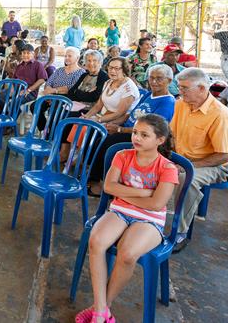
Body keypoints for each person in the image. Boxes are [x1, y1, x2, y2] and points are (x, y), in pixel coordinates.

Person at [79, 114, 179, 323]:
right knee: (96, 241)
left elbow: (156, 205)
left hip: (149, 220)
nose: (137, 138)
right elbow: (108, 187)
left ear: (160, 140)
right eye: (135, 132)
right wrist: (144, 193)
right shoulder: (122, 155)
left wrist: (124, 193)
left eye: (144, 135)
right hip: (119, 211)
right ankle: (101, 309)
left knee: (127, 254)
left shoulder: (167, 168)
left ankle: (102, 308)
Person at [169, 67, 228, 252]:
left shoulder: (220, 115)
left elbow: (225, 155)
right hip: (184, 157)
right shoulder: (181, 104)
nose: (180, 91)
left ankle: (179, 232)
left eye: (184, 88)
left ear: (201, 88)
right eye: (179, 87)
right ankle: (141, 217)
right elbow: (172, 134)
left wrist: (188, 166)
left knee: (186, 178)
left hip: (216, 165)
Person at [88, 65, 176, 196]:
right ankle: (91, 173)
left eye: (159, 78)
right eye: (151, 78)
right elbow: (130, 115)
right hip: (129, 129)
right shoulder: (148, 94)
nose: (154, 82)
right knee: (95, 132)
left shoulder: (167, 102)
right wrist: (114, 124)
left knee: (108, 142)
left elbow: (152, 130)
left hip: (142, 136)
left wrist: (120, 130)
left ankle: (100, 182)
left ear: (169, 80)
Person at [66, 50, 109, 116]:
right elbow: (71, 92)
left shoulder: (104, 77)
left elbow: (94, 97)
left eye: (94, 60)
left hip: (90, 111)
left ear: (100, 62)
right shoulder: (84, 75)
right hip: (75, 107)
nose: (91, 63)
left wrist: (77, 92)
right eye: (88, 61)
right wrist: (86, 93)